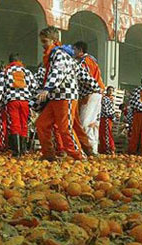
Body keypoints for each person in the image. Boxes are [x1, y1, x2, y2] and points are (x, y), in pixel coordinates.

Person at [35, 26, 99, 161]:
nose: (43, 45)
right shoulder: (59, 55)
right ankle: (48, 154)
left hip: (65, 96)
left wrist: (47, 88)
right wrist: (94, 85)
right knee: (41, 123)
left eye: (45, 41)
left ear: (54, 41)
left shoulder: (60, 55)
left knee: (65, 128)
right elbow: (80, 72)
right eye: (42, 42)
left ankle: (79, 156)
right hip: (55, 97)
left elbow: (58, 72)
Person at [0, 53, 36, 156]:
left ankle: (16, 151)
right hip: (25, 101)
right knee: (24, 124)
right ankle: (23, 150)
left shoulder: (5, 72)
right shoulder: (27, 72)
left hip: (12, 100)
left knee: (14, 123)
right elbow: (34, 86)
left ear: (10, 61)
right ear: (19, 61)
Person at [74, 41, 105, 155]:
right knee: (93, 122)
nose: (73, 52)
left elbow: (86, 78)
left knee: (85, 122)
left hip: (90, 93)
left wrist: (94, 88)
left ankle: (87, 150)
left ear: (80, 50)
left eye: (74, 49)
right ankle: (93, 148)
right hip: (97, 93)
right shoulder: (92, 60)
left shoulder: (83, 62)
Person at [98, 86, 117, 154]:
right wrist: (111, 115)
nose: (111, 92)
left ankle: (109, 148)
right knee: (105, 133)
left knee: (108, 132)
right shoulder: (105, 99)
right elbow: (105, 109)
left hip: (109, 118)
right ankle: (107, 148)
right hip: (106, 117)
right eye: (110, 90)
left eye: (112, 90)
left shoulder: (111, 99)